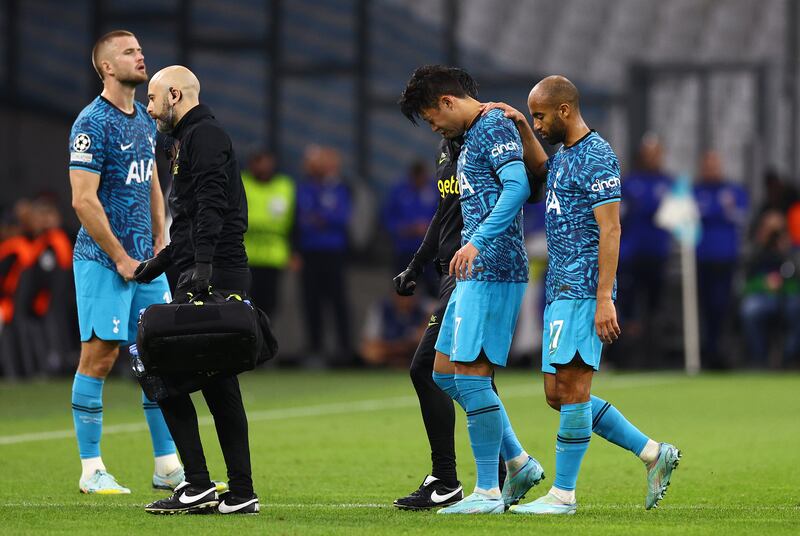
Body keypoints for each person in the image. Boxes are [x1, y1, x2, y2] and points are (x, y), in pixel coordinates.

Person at [492, 76, 679, 515]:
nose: (537, 123)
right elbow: (544, 172)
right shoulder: (564, 154)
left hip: (583, 290)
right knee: (557, 394)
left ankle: (563, 494)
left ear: (564, 110)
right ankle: (654, 453)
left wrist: (604, 298)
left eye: (539, 115)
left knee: (574, 390)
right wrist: (521, 126)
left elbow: (611, 229)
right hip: (559, 289)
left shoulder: (597, 155)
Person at [399, 65, 545, 515]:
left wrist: (477, 241)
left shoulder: (492, 125)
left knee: (469, 376)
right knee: (442, 373)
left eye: (430, 117)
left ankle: (485, 490)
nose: (434, 127)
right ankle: (517, 460)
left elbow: (520, 186)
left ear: (446, 102)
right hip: (468, 270)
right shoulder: (463, 141)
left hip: (492, 265)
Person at [134, 65, 258, 515]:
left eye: (151, 99)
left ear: (173, 94)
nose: (148, 109)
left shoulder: (203, 136)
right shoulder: (189, 139)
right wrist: (158, 265)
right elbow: (187, 224)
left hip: (212, 275)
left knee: (158, 371)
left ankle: (200, 484)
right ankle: (240, 492)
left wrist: (201, 266)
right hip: (206, 270)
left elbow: (212, 205)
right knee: (219, 383)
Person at [67, 30, 181, 494]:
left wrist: (160, 237)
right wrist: (119, 257)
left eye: (140, 49)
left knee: (160, 355)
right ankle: (91, 469)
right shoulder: (91, 123)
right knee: (100, 356)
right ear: (107, 67)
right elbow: (82, 200)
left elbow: (150, 179)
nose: (141, 55)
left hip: (146, 262)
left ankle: (167, 465)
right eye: (129, 52)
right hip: (102, 259)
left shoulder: (143, 119)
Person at [295, 145, 353, 366]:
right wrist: (322, 219)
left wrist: (320, 219)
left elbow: (341, 217)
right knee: (311, 302)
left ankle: (344, 349)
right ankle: (315, 348)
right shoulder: (305, 187)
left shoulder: (339, 188)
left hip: (333, 252)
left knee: (337, 301)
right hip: (310, 253)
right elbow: (302, 219)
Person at [693, 151, 748, 369]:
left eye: (715, 165)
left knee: (723, 307)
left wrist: (711, 212)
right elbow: (691, 214)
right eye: (708, 166)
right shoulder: (695, 190)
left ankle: (723, 354)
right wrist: (720, 210)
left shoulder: (734, 190)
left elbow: (739, 215)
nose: (711, 170)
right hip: (702, 258)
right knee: (704, 308)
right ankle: (707, 352)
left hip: (726, 259)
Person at [739, 210, 800, 368]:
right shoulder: (755, 252)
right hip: (762, 296)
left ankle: (790, 357)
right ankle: (759, 359)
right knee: (750, 310)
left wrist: (785, 249)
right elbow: (746, 283)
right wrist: (764, 283)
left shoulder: (791, 251)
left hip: (789, 296)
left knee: (796, 309)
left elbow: (796, 278)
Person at [241, 150, 295, 319]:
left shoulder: (285, 186)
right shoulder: (242, 183)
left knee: (271, 303)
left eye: (265, 161)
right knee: (246, 303)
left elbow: (294, 220)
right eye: (258, 161)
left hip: (274, 256)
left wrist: (295, 252)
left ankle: (266, 338)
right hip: (246, 256)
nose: (262, 166)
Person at [382, 161, 439, 294]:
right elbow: (387, 218)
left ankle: (433, 315)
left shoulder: (434, 189)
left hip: (429, 252)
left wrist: (429, 229)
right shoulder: (399, 191)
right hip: (405, 250)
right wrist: (406, 229)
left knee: (433, 291)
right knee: (403, 288)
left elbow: (443, 215)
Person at [360, 290, 428, 367]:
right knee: (370, 352)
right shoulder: (381, 308)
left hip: (413, 350)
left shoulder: (425, 307)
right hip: (389, 349)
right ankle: (393, 364)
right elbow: (370, 341)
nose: (406, 300)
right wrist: (395, 348)